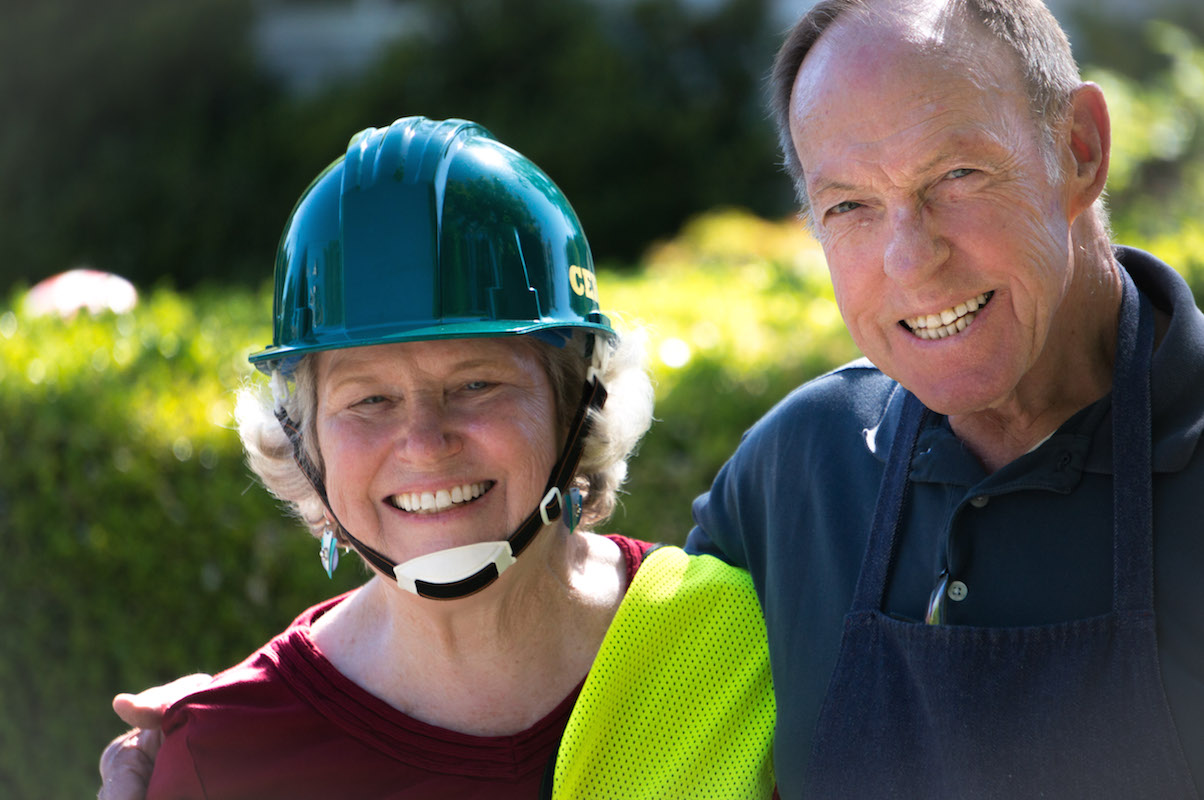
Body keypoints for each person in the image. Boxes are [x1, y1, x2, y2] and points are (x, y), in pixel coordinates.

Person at [98, 116, 775, 799]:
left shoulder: (753, 641)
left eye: (476, 384)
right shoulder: (228, 757)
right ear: (303, 441)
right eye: (369, 400)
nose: (424, 441)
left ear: (581, 402)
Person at [685, 0, 1203, 796]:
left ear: (1079, 149)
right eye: (850, 206)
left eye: (956, 176)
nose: (911, 259)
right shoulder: (795, 473)